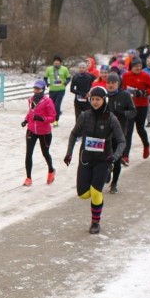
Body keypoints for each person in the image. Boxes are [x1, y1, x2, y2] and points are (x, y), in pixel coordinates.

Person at [63, 87, 126, 235]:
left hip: (104, 160)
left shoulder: (111, 119)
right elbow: (73, 134)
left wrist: (115, 157)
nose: (95, 102)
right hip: (86, 158)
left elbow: (122, 141)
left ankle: (95, 223)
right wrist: (69, 152)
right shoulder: (85, 116)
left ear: (104, 100)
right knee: (83, 194)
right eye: (93, 99)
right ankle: (104, 178)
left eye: (98, 99)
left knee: (96, 192)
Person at [120, 58, 150, 164]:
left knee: (140, 128)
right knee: (128, 131)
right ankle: (125, 156)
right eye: (136, 66)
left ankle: (146, 145)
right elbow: (122, 88)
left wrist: (144, 92)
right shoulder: (126, 76)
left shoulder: (145, 76)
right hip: (130, 106)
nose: (138, 68)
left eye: (140, 66)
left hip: (141, 106)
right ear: (131, 67)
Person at [104, 72, 137, 194]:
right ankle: (106, 172)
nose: (111, 85)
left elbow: (133, 112)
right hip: (104, 132)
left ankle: (114, 183)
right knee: (103, 156)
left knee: (116, 158)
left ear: (118, 83)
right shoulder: (103, 95)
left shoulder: (125, 95)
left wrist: (123, 114)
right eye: (109, 83)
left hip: (119, 132)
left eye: (113, 83)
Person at [21, 79, 57, 187]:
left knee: (45, 153)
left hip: (44, 132)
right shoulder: (31, 99)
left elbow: (53, 117)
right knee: (29, 153)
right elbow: (30, 112)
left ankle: (51, 170)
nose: (36, 91)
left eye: (38, 89)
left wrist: (42, 118)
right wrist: (26, 120)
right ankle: (28, 178)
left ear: (43, 90)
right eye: (35, 88)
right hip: (31, 130)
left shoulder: (48, 101)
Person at [44, 55, 71, 127]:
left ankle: (56, 120)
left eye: (58, 61)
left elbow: (68, 78)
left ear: (60, 63)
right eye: (55, 61)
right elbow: (45, 78)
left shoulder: (64, 69)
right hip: (52, 90)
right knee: (51, 106)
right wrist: (47, 84)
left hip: (61, 90)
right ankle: (52, 117)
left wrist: (65, 83)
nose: (56, 62)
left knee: (57, 105)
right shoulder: (49, 69)